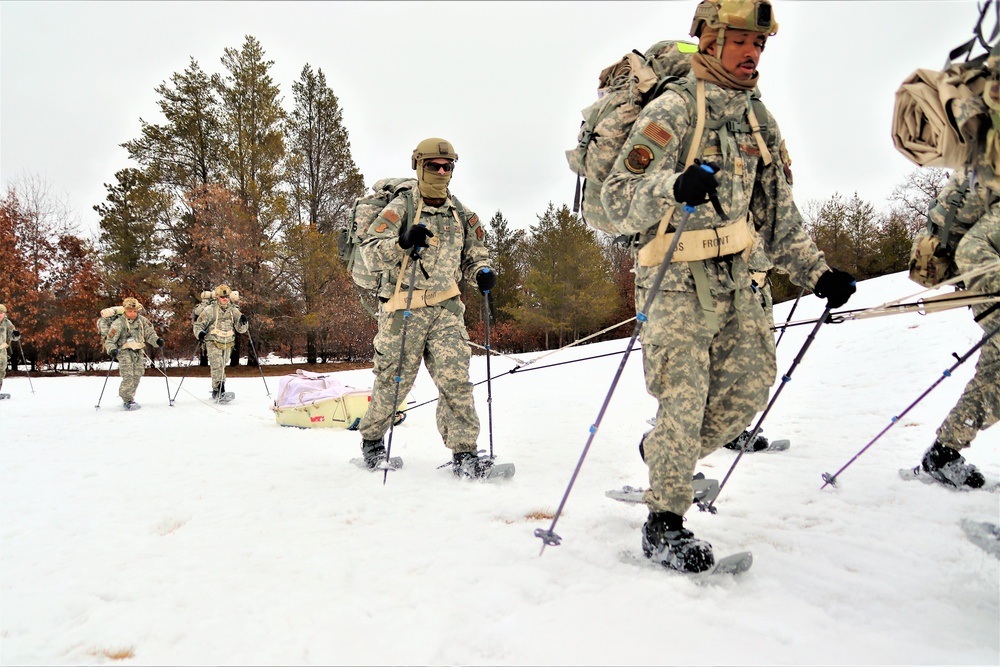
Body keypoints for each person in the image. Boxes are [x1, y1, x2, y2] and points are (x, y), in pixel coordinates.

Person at [601, 0, 856, 572]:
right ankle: (664, 522)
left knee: (749, 392)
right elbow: (613, 203)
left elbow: (776, 208)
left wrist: (816, 272)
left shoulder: (755, 114)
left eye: (760, 44)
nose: (752, 53)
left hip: (741, 278)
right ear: (709, 40)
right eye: (741, 41)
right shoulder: (673, 109)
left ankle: (663, 451)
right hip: (673, 280)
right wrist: (672, 186)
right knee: (684, 400)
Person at [355, 137, 500, 478]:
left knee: (456, 382)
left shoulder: (460, 213)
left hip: (446, 310)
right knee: (393, 383)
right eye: (433, 166)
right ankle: (373, 440)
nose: (440, 171)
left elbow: (474, 253)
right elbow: (370, 253)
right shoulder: (401, 208)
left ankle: (465, 452)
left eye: (447, 166)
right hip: (402, 310)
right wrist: (401, 242)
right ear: (418, 166)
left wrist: (481, 272)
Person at [916, 165, 998, 489]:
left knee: (996, 375)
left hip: (980, 266)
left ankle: (943, 454)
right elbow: (972, 251)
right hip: (980, 267)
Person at [104, 297, 163, 410]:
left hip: (138, 350)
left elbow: (150, 334)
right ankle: (127, 399)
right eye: (130, 311)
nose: (132, 313)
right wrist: (112, 349)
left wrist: (157, 341)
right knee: (128, 375)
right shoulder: (118, 323)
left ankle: (130, 397)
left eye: (135, 311)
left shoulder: (142, 321)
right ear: (125, 311)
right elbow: (110, 340)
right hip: (124, 351)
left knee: (138, 374)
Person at [193, 284, 248, 401]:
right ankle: (220, 390)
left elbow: (241, 330)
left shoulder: (233, 310)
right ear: (217, 297)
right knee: (217, 365)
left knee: (222, 366)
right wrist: (200, 334)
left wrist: (244, 322)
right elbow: (198, 325)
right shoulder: (209, 310)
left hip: (227, 341)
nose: (225, 299)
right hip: (212, 341)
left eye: (227, 297)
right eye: (223, 297)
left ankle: (215, 389)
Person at [0, 303, 22, 399]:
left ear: (4, 314)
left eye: (1, 313)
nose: (0, 315)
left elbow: (14, 337)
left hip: (2, 350)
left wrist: (16, 335)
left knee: (1, 371)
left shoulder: (7, 323)